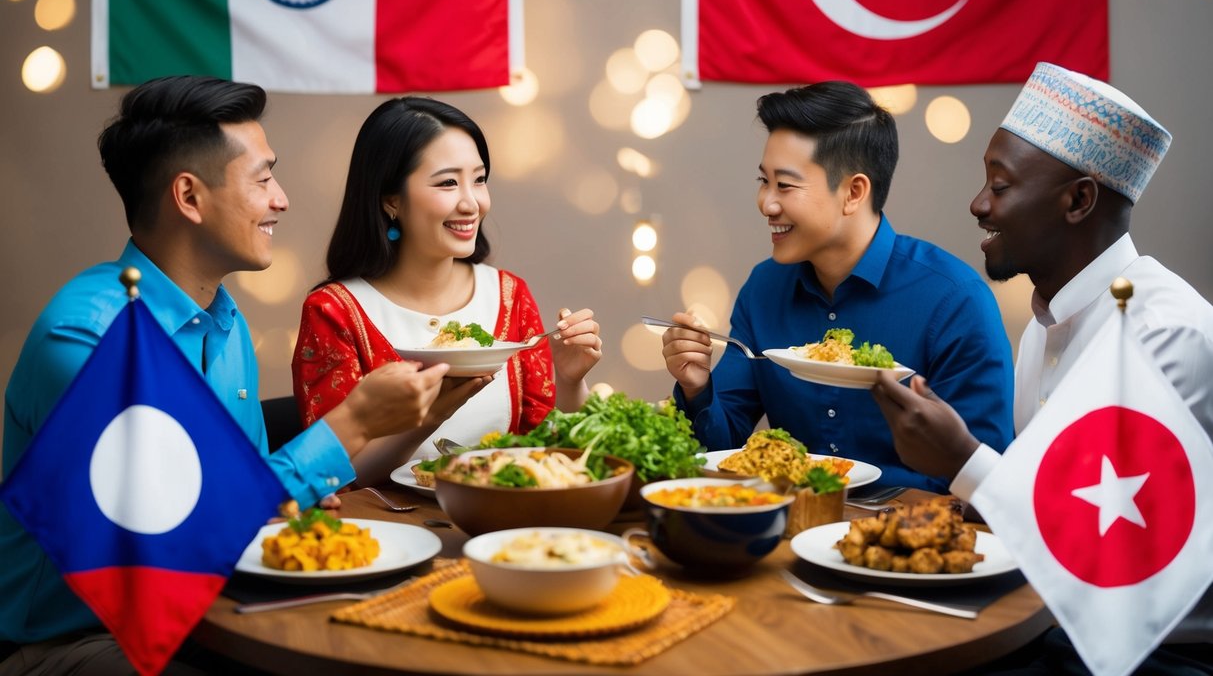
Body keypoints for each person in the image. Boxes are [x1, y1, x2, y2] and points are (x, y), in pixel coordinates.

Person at [0, 76, 455, 674]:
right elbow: (181, 542)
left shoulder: (224, 318)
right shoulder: (88, 340)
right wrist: (353, 423)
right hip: (83, 642)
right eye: (263, 179)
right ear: (189, 197)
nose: (281, 199)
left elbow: (246, 506)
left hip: (210, 611)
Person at [870, 62, 1213, 671]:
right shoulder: (1045, 329)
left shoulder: (1163, 335)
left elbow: (1102, 552)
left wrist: (960, 459)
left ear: (1078, 200)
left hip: (1155, 655)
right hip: (1056, 623)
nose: (978, 205)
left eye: (999, 186)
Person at [660, 81, 1014, 493]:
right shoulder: (764, 289)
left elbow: (986, 474)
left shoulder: (954, 301)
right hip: (788, 532)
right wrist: (697, 386)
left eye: (785, 185)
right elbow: (723, 449)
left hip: (905, 540)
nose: (766, 203)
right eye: (764, 181)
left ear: (853, 192)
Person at [292, 96, 603, 483]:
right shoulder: (335, 311)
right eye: (448, 183)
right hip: (392, 534)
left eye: (479, 179)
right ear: (391, 200)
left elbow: (549, 451)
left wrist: (570, 380)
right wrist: (429, 417)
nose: (472, 203)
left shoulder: (509, 294)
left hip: (501, 531)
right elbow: (328, 475)